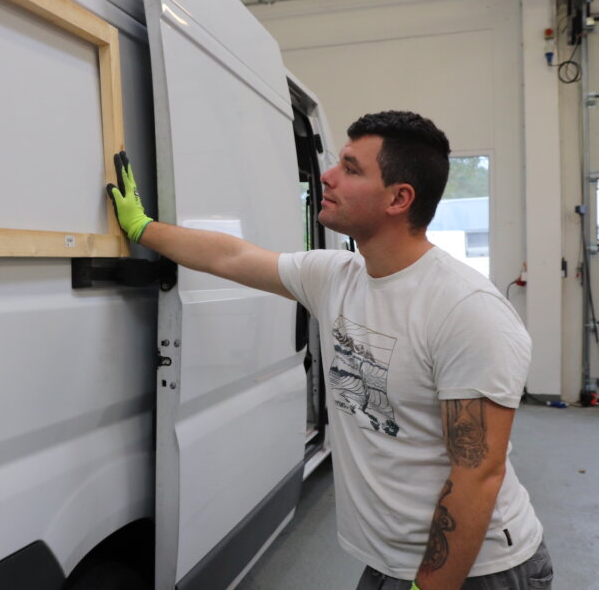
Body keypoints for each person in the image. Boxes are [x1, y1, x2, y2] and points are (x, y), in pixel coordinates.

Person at [106, 111, 552, 590]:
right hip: (391, 564)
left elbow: (478, 472)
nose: (328, 175)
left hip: (476, 572)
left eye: (351, 168)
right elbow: (231, 256)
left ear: (399, 199)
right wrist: (141, 227)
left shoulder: (466, 308)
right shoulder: (335, 276)